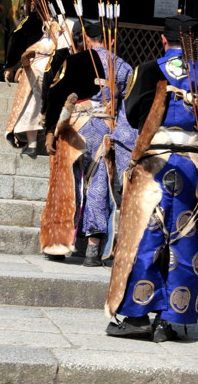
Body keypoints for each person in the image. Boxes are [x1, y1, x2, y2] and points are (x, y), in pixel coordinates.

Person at [104, 14, 198, 343]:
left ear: (163, 41)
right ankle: (173, 317)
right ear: (195, 44)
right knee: (185, 237)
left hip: (154, 165)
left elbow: (134, 117)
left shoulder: (146, 71)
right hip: (191, 166)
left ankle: (136, 315)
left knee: (145, 236)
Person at [40, 22, 135, 263]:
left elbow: (56, 94)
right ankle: (92, 250)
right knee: (99, 184)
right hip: (107, 129)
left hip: (76, 127)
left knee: (68, 184)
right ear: (110, 40)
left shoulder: (76, 60)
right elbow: (129, 109)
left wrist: (50, 130)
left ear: (86, 38)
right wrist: (124, 140)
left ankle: (59, 245)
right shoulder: (124, 67)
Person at [4, 12, 74, 158]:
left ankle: (50, 142)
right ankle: (32, 144)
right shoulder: (35, 24)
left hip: (54, 74)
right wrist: (17, 64)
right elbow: (21, 43)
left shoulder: (65, 32)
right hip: (33, 73)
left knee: (51, 107)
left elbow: (67, 50)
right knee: (31, 106)